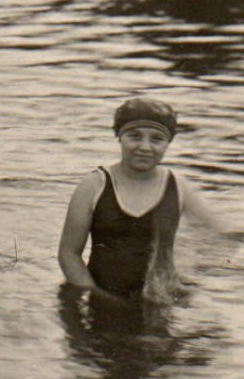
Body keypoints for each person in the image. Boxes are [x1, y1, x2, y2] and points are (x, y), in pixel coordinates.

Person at [56, 97, 228, 305]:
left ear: (167, 144)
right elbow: (69, 253)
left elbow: (221, 234)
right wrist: (93, 293)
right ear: (120, 137)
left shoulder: (177, 186)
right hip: (101, 296)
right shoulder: (94, 185)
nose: (145, 147)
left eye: (156, 139)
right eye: (134, 137)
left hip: (159, 300)